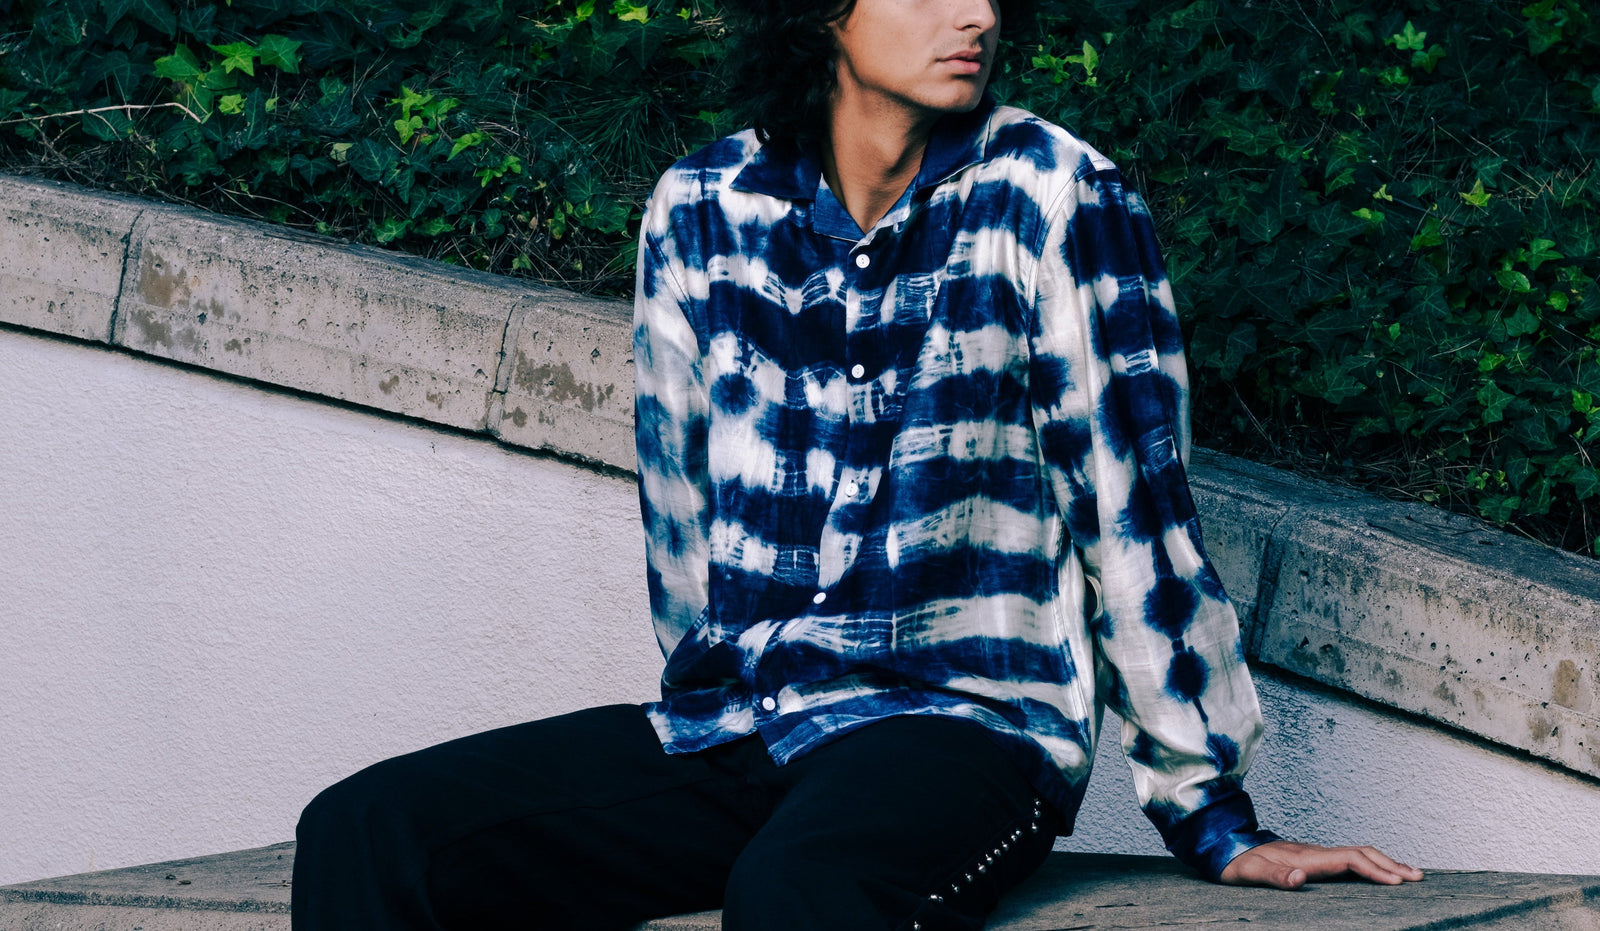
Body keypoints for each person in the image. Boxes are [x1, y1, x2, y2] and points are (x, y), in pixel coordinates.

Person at [290, 0, 1424, 927]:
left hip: (967, 723)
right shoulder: (701, 209)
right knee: (370, 828)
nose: (975, 17)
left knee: (802, 891)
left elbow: (1132, 507)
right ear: (822, 13)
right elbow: (681, 516)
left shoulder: (1052, 194)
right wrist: (709, 696)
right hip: (751, 717)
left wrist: (1207, 808)